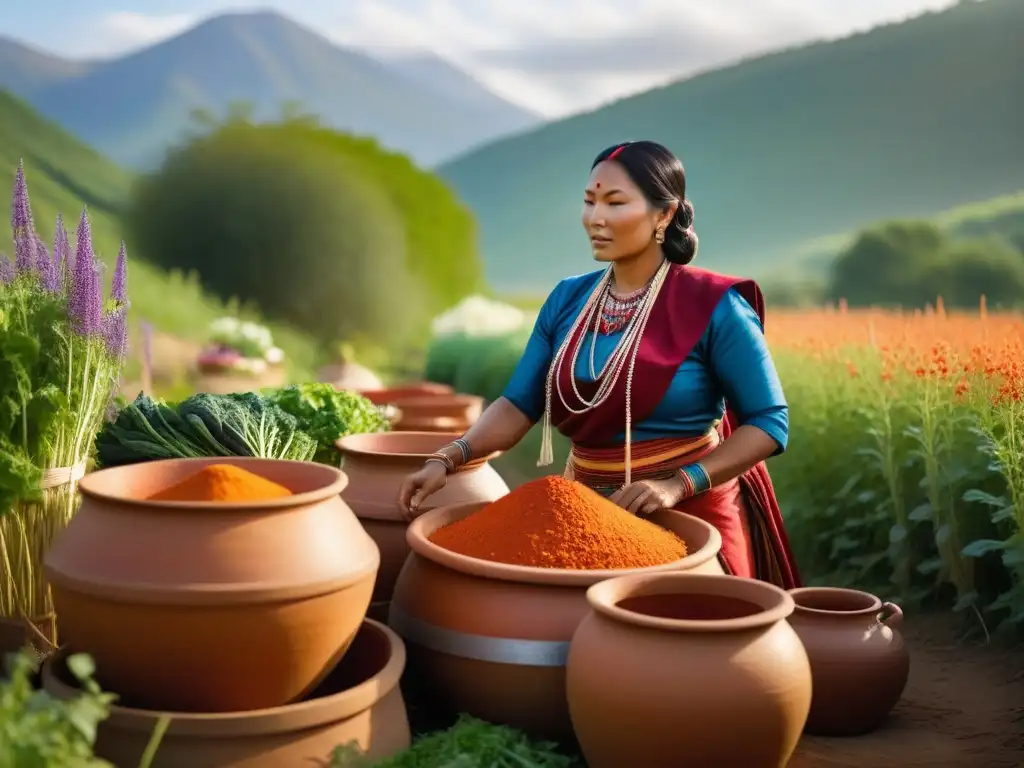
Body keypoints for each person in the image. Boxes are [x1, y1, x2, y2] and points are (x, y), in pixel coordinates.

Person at [398, 140, 801, 588]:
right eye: (589, 202)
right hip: (585, 512)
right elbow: (518, 405)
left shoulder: (714, 305)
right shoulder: (568, 299)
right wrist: (449, 457)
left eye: (615, 202)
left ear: (664, 215)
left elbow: (769, 421)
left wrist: (677, 485)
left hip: (691, 515)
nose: (596, 218)